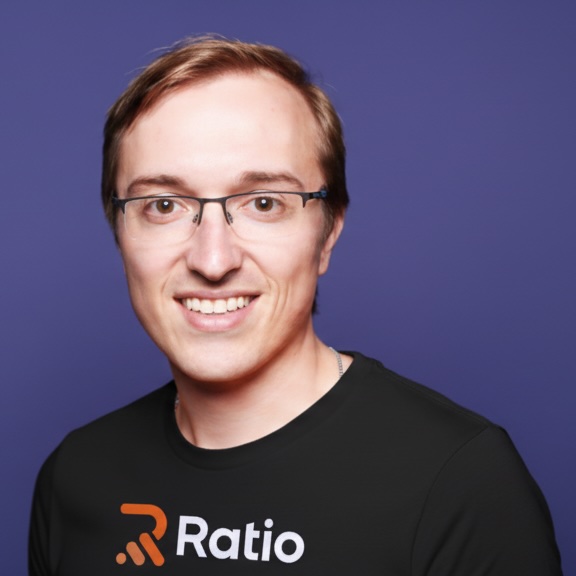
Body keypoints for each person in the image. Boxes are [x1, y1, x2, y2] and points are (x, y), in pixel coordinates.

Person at [29, 36, 562, 575]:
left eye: (264, 203)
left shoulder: (459, 482)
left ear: (327, 234)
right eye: (163, 205)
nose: (213, 260)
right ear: (120, 233)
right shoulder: (76, 477)